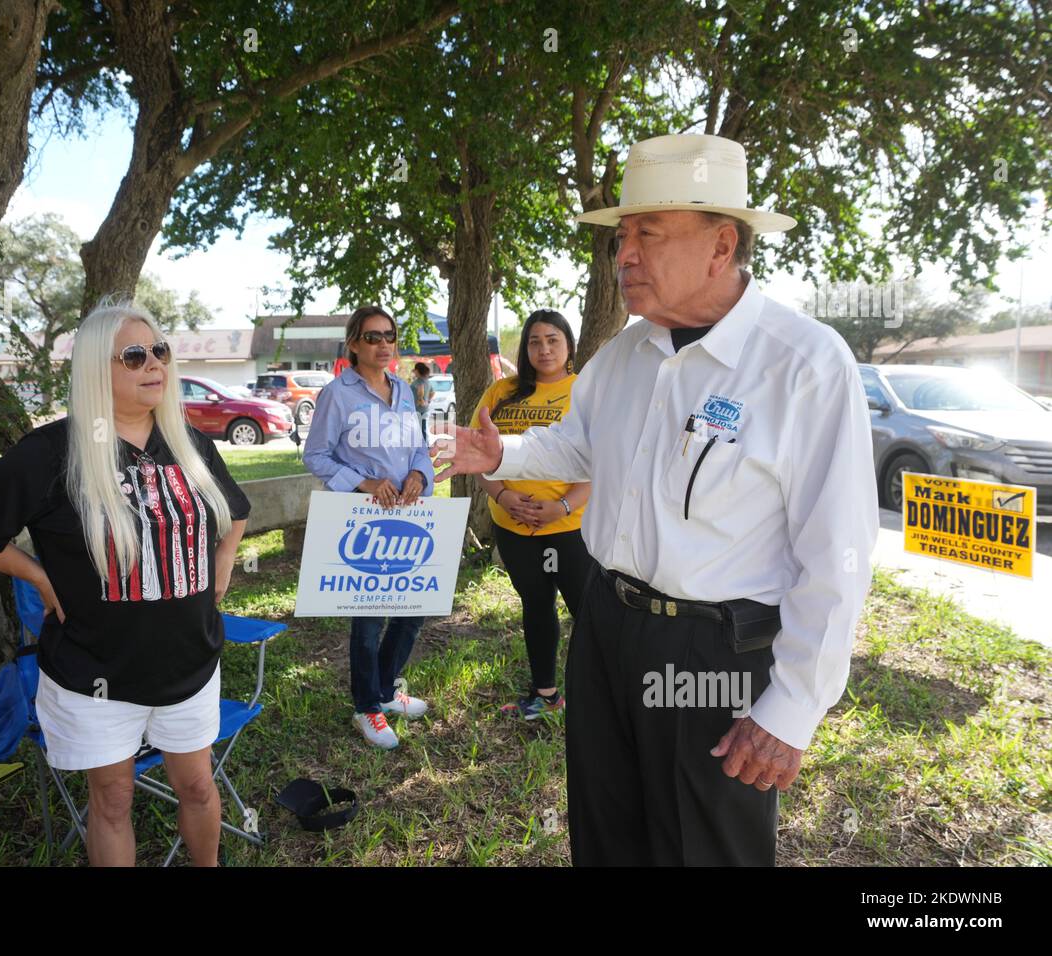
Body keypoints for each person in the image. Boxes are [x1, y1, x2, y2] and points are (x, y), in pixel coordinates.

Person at [432, 134, 879, 865]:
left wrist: (794, 707)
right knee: (608, 831)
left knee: (703, 846)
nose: (624, 255)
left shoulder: (802, 364)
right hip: (607, 623)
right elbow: (579, 444)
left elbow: (840, 551)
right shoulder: (624, 355)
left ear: (721, 244)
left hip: (712, 647)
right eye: (622, 236)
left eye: (648, 234)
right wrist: (503, 453)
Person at [0, 301, 249, 867]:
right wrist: (35, 573)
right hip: (93, 672)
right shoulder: (53, 452)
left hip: (190, 660)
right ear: (92, 369)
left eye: (159, 350)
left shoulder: (188, 443)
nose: (153, 363)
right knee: (112, 799)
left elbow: (236, 512)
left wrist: (223, 563)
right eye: (133, 356)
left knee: (200, 788)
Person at [303, 306, 435, 749]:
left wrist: (419, 475)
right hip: (362, 520)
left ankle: (385, 687)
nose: (383, 345)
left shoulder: (404, 390)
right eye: (373, 337)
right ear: (354, 344)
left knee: (413, 607)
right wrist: (364, 482)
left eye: (389, 336)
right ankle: (366, 707)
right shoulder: (337, 395)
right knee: (369, 616)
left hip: (407, 514)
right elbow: (316, 455)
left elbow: (419, 448)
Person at [472, 310, 592, 720]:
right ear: (524, 348)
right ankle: (546, 695)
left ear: (569, 345)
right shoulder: (500, 393)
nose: (544, 349)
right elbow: (477, 456)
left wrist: (561, 505)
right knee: (536, 606)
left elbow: (607, 464)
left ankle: (598, 699)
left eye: (553, 340)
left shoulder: (587, 392)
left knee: (587, 614)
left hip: (571, 526)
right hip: (514, 526)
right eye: (535, 341)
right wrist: (503, 496)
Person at [410, 361, 435, 443]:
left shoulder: (417, 383)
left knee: (418, 430)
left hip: (417, 409)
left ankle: (423, 448)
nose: (414, 372)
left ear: (417, 370)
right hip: (425, 409)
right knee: (423, 429)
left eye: (415, 370)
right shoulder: (427, 382)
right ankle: (425, 446)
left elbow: (420, 391)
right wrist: (428, 401)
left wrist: (421, 399)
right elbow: (433, 392)